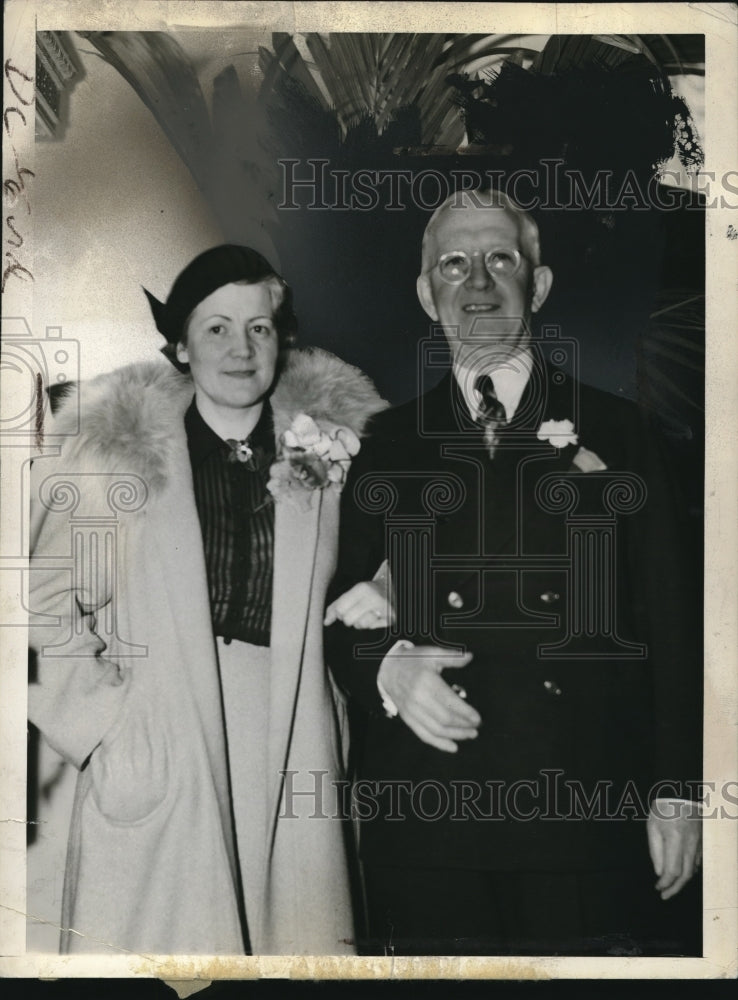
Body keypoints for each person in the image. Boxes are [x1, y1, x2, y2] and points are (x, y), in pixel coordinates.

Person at [326, 190, 703, 956]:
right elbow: (336, 614)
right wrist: (386, 673)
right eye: (453, 264)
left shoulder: (618, 431)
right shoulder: (385, 442)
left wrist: (675, 788)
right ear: (427, 295)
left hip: (581, 812)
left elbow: (673, 617)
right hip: (429, 817)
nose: (478, 282)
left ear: (540, 284)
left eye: (501, 258)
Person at [27, 245, 387, 955]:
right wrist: (104, 723)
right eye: (216, 327)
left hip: (289, 729)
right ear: (180, 347)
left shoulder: (330, 456)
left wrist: (385, 586)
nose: (241, 347)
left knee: (287, 948)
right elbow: (39, 602)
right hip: (160, 733)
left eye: (259, 328)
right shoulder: (120, 453)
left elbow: (376, 566)